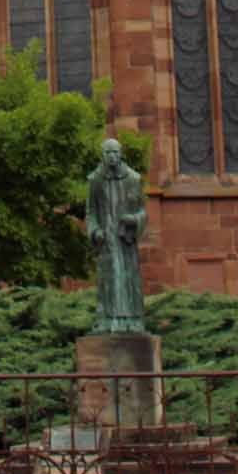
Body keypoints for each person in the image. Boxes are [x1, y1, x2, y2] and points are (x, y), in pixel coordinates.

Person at [85, 135, 148, 335]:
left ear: (120, 155)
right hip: (106, 241)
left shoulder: (133, 179)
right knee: (108, 278)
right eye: (108, 152)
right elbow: (90, 212)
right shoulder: (95, 180)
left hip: (125, 240)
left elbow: (143, 212)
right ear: (102, 156)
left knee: (129, 278)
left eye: (115, 152)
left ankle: (133, 320)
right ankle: (107, 319)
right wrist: (94, 230)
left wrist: (133, 220)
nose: (112, 156)